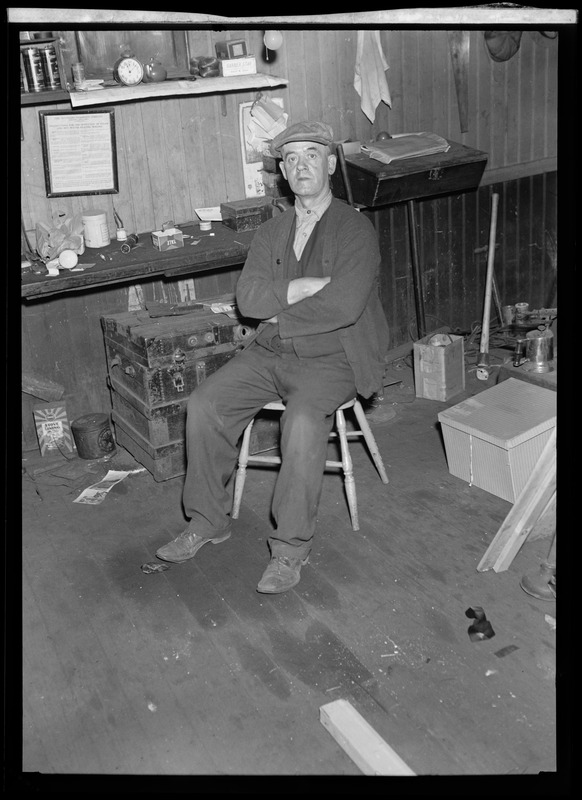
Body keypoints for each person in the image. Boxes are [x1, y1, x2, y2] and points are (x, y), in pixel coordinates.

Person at [156, 120, 390, 593]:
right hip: (270, 351)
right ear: (283, 171)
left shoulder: (354, 228)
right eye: (291, 159)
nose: (301, 165)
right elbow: (250, 300)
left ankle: (289, 551)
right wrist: (302, 288)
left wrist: (281, 310)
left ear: (329, 163)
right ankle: (207, 520)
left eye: (311, 155)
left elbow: (345, 305)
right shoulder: (271, 232)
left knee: (302, 422)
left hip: (334, 357)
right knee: (206, 405)